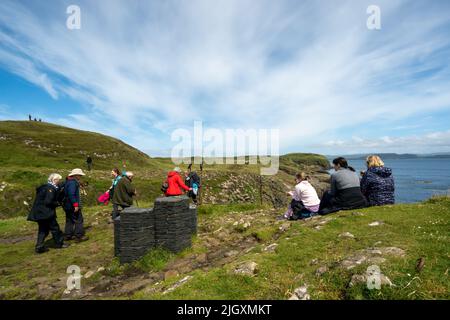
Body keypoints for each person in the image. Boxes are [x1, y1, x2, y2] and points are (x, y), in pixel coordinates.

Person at [28, 173, 69, 253]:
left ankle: (39, 246)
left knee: (43, 229)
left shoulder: (44, 187)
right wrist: (57, 203)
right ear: (54, 180)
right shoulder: (50, 189)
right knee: (55, 228)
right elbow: (48, 201)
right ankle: (59, 243)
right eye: (58, 180)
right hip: (46, 212)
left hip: (38, 213)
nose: (59, 182)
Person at [63, 168, 89, 242]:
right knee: (78, 219)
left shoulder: (68, 181)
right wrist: (76, 205)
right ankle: (79, 236)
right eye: (80, 175)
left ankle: (68, 235)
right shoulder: (73, 183)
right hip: (72, 205)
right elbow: (71, 194)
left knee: (69, 220)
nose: (80, 176)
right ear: (76, 175)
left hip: (67, 205)